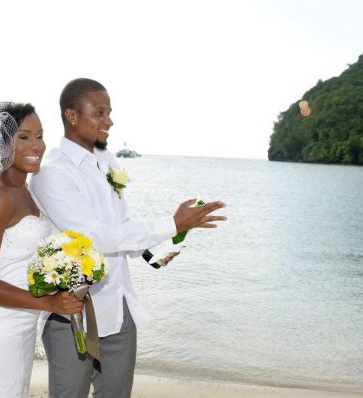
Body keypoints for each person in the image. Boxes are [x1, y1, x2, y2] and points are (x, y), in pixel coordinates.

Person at [30, 78, 226, 398]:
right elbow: (93, 237)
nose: (109, 121)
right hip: (71, 311)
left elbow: (123, 225)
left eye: (110, 112)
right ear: (72, 115)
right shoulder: (53, 171)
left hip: (119, 308)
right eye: (100, 112)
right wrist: (171, 223)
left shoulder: (108, 162)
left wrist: (170, 238)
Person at [0, 97, 84, 398]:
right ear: (1, 142)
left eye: (39, 136)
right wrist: (49, 304)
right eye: (23, 137)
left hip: (19, 324)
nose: (36, 146)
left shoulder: (25, 189)